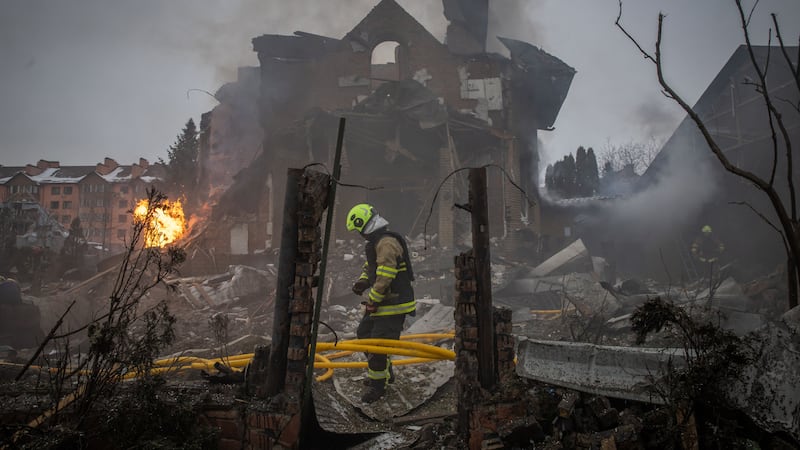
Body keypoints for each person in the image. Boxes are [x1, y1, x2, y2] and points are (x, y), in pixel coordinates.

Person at [346, 203, 416, 403]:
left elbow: (385, 275)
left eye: (359, 230)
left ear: (364, 225)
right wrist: (362, 282)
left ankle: (378, 387)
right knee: (364, 334)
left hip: (394, 304)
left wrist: (373, 301)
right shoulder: (377, 243)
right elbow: (372, 267)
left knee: (377, 345)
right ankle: (384, 369)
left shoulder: (386, 243)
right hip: (384, 302)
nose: (360, 234)